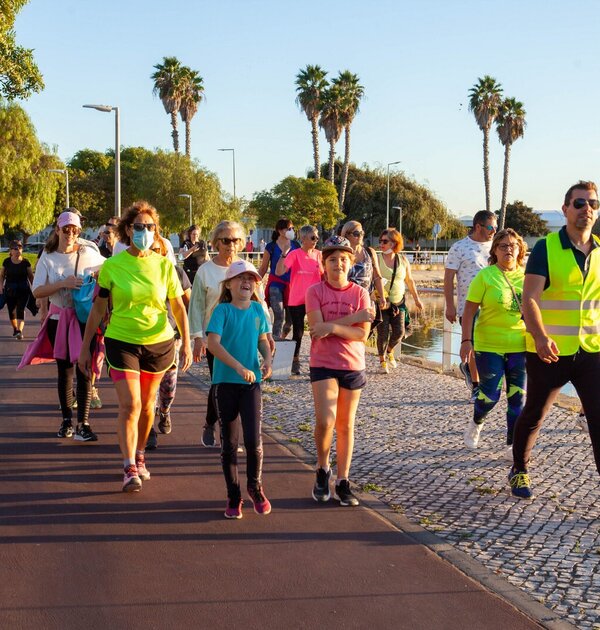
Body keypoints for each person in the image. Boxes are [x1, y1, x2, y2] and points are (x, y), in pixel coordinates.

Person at [78, 201, 192, 492]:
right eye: (139, 226)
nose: (145, 231)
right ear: (128, 230)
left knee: (147, 406)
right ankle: (129, 466)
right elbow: (98, 309)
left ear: (156, 231)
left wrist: (187, 343)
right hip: (122, 341)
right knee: (131, 405)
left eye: (150, 227)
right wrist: (85, 347)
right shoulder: (112, 266)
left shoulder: (165, 265)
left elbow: (178, 307)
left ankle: (140, 454)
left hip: (159, 343)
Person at [508, 181, 600, 500]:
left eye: (593, 204)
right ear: (565, 209)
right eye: (579, 203)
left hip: (591, 351)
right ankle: (519, 469)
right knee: (535, 413)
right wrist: (540, 336)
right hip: (549, 351)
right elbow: (530, 298)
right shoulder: (546, 248)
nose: (586, 209)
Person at [23, 211, 105, 441]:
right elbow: (37, 291)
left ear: (79, 232)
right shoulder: (48, 257)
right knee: (65, 371)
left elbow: (111, 269)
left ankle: (84, 424)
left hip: (84, 319)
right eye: (66, 229)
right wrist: (62, 284)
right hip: (58, 320)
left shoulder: (88, 253)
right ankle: (67, 421)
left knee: (85, 369)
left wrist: (100, 275)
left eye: (74, 230)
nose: (70, 234)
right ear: (58, 230)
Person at [306, 236, 373, 506]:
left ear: (351, 262)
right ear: (324, 264)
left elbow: (361, 335)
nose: (338, 264)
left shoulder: (360, 294)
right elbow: (316, 330)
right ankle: (323, 468)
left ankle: (343, 481)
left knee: (345, 424)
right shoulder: (315, 292)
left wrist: (332, 327)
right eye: (332, 259)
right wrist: (353, 319)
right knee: (326, 421)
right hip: (323, 363)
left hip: (352, 365)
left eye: (343, 259)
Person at [206, 259, 273, 518]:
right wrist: (237, 367)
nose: (246, 282)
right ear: (229, 284)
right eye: (240, 278)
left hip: (251, 385)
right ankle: (233, 496)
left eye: (251, 279)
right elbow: (213, 344)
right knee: (229, 445)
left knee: (254, 441)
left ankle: (255, 487)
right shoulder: (222, 311)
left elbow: (262, 340)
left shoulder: (257, 309)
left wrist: (267, 360)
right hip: (225, 385)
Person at [460, 228, 528, 459]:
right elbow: (469, 311)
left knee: (517, 397)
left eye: (513, 245)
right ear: (495, 251)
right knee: (489, 396)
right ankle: (477, 421)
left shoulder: (527, 278)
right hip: (489, 346)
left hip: (520, 345)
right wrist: (466, 340)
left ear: (520, 250)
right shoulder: (486, 276)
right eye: (503, 246)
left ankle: (512, 444)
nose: (508, 249)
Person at [189, 221, 246, 448]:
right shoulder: (205, 271)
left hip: (241, 336)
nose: (231, 245)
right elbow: (196, 306)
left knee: (238, 386)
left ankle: (213, 423)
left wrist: (266, 334)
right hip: (215, 339)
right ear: (216, 243)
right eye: (226, 240)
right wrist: (197, 338)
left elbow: (258, 302)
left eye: (235, 240)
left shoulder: (245, 268)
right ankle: (223, 432)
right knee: (221, 384)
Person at [444, 210, 497, 400]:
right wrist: (450, 306)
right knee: (474, 346)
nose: (494, 231)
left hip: (494, 306)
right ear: (478, 226)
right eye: (490, 227)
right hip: (469, 307)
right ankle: (476, 385)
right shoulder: (459, 247)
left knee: (489, 348)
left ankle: (473, 372)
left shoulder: (497, 247)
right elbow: (448, 279)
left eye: (495, 227)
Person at [146, 236, 192, 450]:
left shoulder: (176, 272)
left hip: (171, 336)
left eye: (157, 250)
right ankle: (148, 429)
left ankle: (164, 411)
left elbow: (188, 304)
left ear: (165, 252)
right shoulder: (137, 272)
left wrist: (188, 339)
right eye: (150, 249)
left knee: (168, 386)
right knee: (148, 388)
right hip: (144, 338)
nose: (153, 253)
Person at [275, 225, 323, 374]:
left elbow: (325, 275)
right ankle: (295, 360)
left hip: (315, 300)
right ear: (303, 238)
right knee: (298, 332)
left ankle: (318, 360)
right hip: (297, 299)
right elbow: (279, 272)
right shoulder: (294, 254)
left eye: (317, 237)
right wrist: (284, 254)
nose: (316, 240)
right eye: (313, 237)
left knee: (317, 331)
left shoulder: (319, 255)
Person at [376, 228, 423, 373]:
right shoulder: (377, 259)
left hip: (398, 302)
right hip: (382, 303)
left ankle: (389, 351)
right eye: (380, 241)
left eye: (385, 241)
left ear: (394, 243)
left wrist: (417, 299)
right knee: (383, 333)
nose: (381, 244)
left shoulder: (402, 260)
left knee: (400, 332)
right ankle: (382, 361)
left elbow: (409, 280)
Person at [258, 218, 299, 340]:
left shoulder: (296, 245)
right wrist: (255, 283)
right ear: (280, 231)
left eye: (292, 228)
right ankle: (275, 343)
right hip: (275, 284)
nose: (291, 231)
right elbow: (263, 267)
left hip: (292, 285)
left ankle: (282, 338)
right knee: (279, 315)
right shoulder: (270, 246)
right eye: (288, 228)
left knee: (290, 321)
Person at [0, 240, 34, 340]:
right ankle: (15, 329)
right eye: (15, 248)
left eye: (20, 247)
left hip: (23, 290)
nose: (18, 250)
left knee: (20, 309)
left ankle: (19, 331)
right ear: (10, 251)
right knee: (11, 311)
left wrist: (35, 289)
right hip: (10, 290)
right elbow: (1, 275)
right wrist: (0, 287)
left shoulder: (26, 262)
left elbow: (31, 276)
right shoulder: (6, 262)